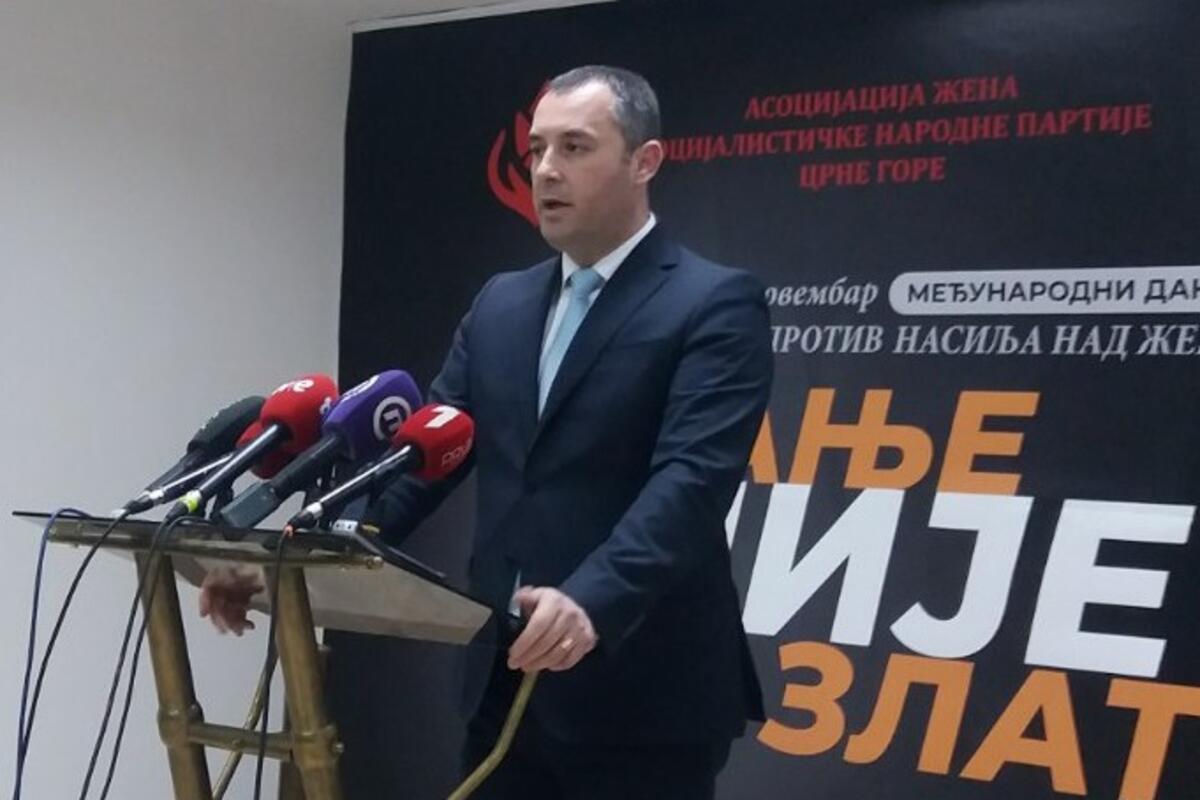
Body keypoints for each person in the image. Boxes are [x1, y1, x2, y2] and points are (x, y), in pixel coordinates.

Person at [201, 65, 773, 800]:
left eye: (575, 147)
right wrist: (288, 570)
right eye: (536, 150)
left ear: (645, 161)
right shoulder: (503, 303)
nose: (545, 170)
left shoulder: (713, 302)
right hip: (504, 680)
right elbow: (420, 460)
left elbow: (692, 482)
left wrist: (591, 599)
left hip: (643, 690)